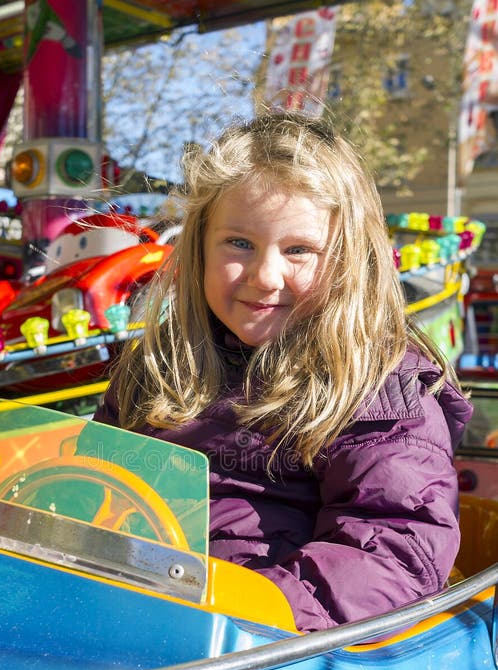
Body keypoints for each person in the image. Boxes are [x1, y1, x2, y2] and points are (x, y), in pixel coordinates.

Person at [93, 110, 473, 632]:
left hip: (269, 644)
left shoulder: (379, 390)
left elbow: (393, 548)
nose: (265, 275)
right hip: (130, 617)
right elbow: (93, 487)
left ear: (347, 262)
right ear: (199, 247)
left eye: (298, 250)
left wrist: (254, 617)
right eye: (239, 244)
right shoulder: (157, 367)